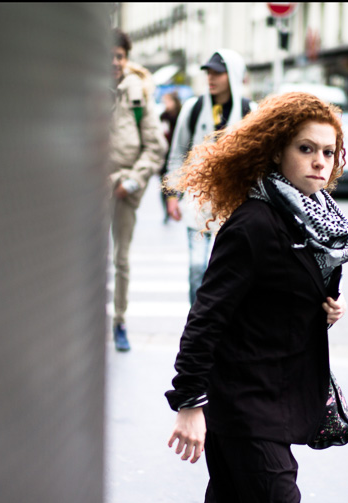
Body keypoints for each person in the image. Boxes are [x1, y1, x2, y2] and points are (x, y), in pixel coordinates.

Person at [164, 92, 348, 503]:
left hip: (279, 391)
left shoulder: (315, 220)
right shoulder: (254, 222)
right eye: (306, 149)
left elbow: (286, 291)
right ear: (276, 152)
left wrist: (326, 307)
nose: (320, 161)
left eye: (328, 151)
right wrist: (189, 403)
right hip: (245, 402)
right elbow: (206, 318)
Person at [165, 50, 256, 305]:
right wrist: (172, 194)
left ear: (233, 75)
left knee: (227, 269)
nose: (211, 78)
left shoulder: (250, 111)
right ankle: (198, 318)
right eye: (208, 72)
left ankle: (220, 320)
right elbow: (177, 154)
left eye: (218, 72)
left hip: (234, 204)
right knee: (197, 267)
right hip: (198, 200)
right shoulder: (193, 109)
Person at [109, 29, 167, 352]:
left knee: (121, 260)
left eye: (119, 56)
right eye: (108, 56)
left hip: (123, 189)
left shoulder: (138, 93)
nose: (114, 62)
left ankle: (119, 321)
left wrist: (132, 180)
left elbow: (155, 147)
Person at [159, 91, 183, 224]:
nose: (166, 104)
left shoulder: (182, 115)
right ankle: (167, 211)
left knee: (180, 184)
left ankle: (180, 206)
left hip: (180, 155)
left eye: (168, 101)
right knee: (164, 185)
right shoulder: (163, 116)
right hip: (166, 156)